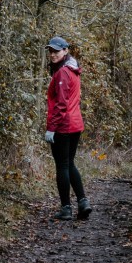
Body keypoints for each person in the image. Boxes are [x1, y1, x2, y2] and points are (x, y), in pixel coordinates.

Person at [45, 36, 92, 222]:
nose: (53, 54)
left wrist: (51, 128)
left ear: (65, 51)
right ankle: (83, 202)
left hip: (64, 125)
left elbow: (61, 104)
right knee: (70, 163)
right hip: (75, 124)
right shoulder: (73, 69)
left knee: (62, 165)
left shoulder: (63, 72)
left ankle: (66, 208)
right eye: (51, 51)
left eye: (56, 51)